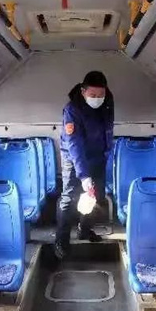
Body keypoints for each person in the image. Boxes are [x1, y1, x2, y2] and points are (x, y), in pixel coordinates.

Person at [55, 71, 114, 259]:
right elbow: (74, 144)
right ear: (83, 91)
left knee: (95, 196)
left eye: (100, 94)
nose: (97, 98)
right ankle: (61, 240)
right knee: (68, 198)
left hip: (97, 156)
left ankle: (84, 229)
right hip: (74, 159)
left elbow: (107, 129)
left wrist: (106, 154)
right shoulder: (72, 110)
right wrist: (84, 175)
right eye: (93, 95)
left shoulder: (108, 101)